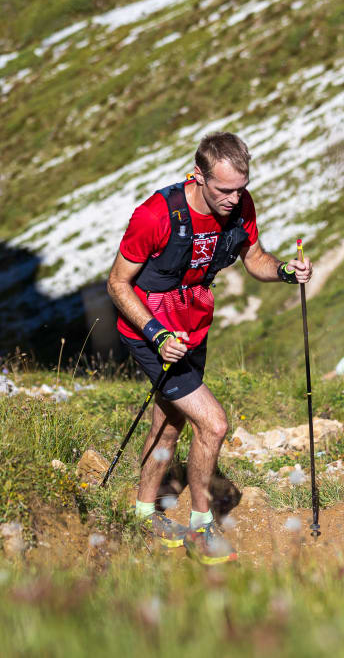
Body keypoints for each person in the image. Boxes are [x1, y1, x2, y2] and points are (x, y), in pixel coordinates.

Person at [107, 131, 312, 565]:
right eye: (224, 190)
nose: (235, 199)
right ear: (197, 176)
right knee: (213, 423)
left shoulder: (240, 205)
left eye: (241, 188)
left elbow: (253, 257)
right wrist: (157, 335)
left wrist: (286, 272)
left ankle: (145, 514)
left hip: (193, 324)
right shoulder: (155, 216)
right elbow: (117, 283)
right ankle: (201, 527)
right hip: (151, 327)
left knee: (170, 420)